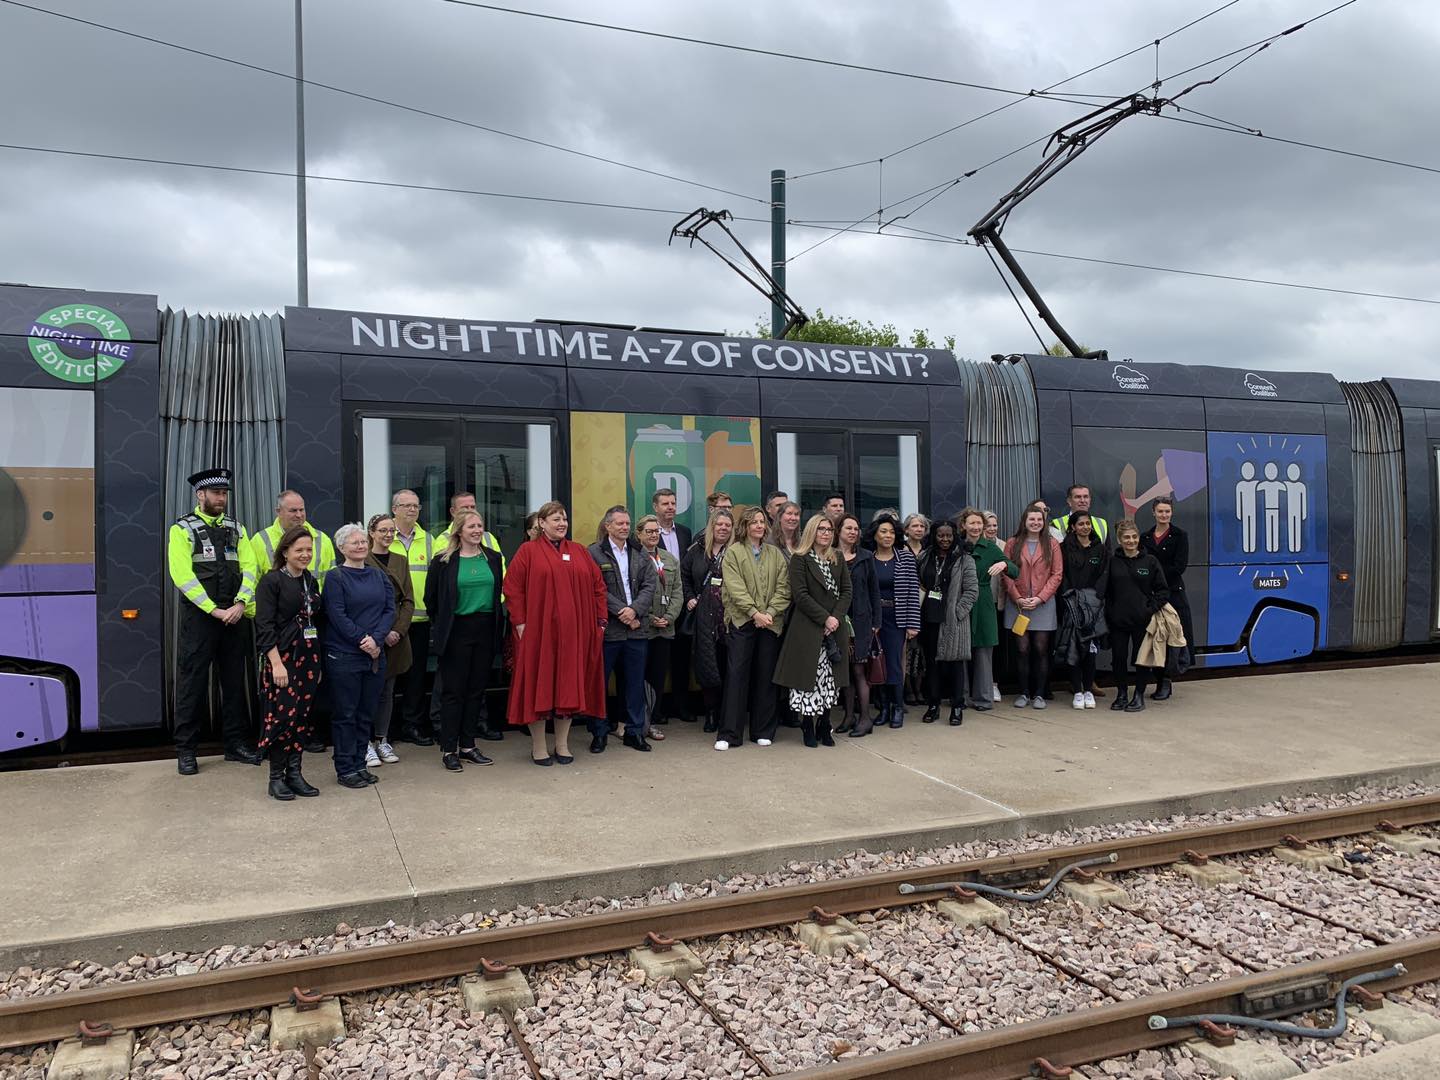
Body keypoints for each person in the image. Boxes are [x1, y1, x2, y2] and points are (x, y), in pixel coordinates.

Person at [168, 467, 262, 775]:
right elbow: (182, 576)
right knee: (192, 684)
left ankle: (235, 745)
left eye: (224, 493)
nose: (222, 498)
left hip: (234, 617)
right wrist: (213, 610)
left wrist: (241, 602)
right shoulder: (182, 529)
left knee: (235, 683)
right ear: (201, 495)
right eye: (216, 493)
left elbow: (250, 568)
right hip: (201, 619)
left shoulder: (237, 528)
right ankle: (186, 750)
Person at [506, 502, 608, 765]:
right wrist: (520, 623)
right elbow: (512, 588)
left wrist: (600, 622)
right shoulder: (528, 552)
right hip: (538, 636)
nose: (562, 524)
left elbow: (598, 587)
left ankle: (562, 744)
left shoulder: (579, 551)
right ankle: (539, 747)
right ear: (541, 523)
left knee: (568, 688)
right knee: (537, 688)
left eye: (564, 519)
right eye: (555, 519)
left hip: (574, 636)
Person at [425, 508, 505, 771]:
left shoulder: (493, 558)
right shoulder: (443, 561)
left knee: (476, 691)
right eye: (471, 526)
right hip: (456, 631)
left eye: (480, 526)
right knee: (453, 693)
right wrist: (442, 625)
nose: (477, 530)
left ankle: (468, 746)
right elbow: (431, 599)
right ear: (459, 531)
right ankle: (449, 749)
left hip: (485, 629)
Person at [253, 525, 323, 800]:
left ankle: (295, 774)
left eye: (309, 550)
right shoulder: (271, 582)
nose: (305, 555)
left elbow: (315, 620)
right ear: (285, 552)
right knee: (283, 718)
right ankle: (276, 778)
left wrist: (317, 665)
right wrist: (276, 664)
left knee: (301, 719)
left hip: (308, 659)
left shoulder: (310, 581)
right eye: (299, 550)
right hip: (282, 659)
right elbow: (264, 626)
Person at [324, 522, 395, 788]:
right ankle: (345, 769)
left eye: (363, 541)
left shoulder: (378, 575)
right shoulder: (335, 577)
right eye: (355, 542)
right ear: (342, 547)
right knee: (346, 714)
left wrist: (376, 639)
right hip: (345, 657)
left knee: (366, 714)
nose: (361, 546)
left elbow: (389, 609)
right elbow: (337, 615)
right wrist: (363, 639)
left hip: (374, 656)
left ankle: (358, 764)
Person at [717, 506, 791, 750]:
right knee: (737, 676)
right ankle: (729, 734)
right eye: (754, 522)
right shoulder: (734, 552)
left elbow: (784, 587)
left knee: (765, 676)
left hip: (769, 623)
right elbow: (734, 587)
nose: (759, 526)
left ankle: (763, 730)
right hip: (743, 622)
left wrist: (769, 613)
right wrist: (754, 613)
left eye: (762, 522)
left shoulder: (775, 553)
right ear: (745, 526)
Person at [774, 515, 852, 748]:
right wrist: (824, 618)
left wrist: (835, 618)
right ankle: (807, 724)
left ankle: (824, 724)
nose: (826, 533)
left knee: (830, 679)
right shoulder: (800, 558)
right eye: (821, 529)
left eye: (829, 529)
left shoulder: (837, 557)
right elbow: (800, 595)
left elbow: (847, 591)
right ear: (811, 531)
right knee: (808, 679)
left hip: (834, 628)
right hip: (808, 627)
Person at [589, 506, 658, 753]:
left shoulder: (640, 552)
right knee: (599, 683)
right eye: (619, 523)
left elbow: (650, 584)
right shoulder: (594, 553)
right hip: (609, 631)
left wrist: (635, 610)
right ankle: (599, 733)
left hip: (637, 630)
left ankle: (634, 732)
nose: (625, 527)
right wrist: (623, 612)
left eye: (627, 523)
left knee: (634, 684)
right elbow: (597, 589)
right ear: (607, 526)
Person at [1003, 502, 1063, 709]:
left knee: (1041, 649)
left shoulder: (1052, 544)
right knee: (1022, 649)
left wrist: (1040, 598)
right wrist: (1017, 597)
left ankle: (1039, 694)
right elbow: (1006, 572)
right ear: (1025, 521)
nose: (1036, 522)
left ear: (1043, 522)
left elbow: (1057, 574)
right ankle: (1023, 692)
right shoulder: (1012, 543)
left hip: (1043, 604)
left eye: (1039, 519)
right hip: (1018, 604)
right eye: (1032, 519)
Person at [388, 489, 436, 747]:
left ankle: (412, 725)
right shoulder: (384, 536)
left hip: (419, 621)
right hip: (389, 623)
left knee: (416, 678)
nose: (412, 510)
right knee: (388, 677)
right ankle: (385, 729)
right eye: (406, 505)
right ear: (394, 509)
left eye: (416, 506)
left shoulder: (429, 540)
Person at [1106, 519, 1170, 712]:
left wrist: (1149, 609)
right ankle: (1121, 694)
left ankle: (1139, 696)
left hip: (1143, 621)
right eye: (1126, 537)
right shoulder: (1112, 562)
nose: (1131, 541)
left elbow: (1163, 591)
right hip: (1118, 621)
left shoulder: (1150, 561)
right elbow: (1106, 591)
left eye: (1134, 537)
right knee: (1119, 658)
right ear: (1119, 540)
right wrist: (1110, 613)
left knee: (1141, 659)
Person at [918, 520, 978, 726]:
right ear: (934, 536)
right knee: (932, 664)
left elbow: (972, 591)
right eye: (940, 535)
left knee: (955, 665)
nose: (945, 539)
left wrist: (958, 613)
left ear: (955, 536)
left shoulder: (965, 559)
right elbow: (919, 584)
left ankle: (957, 707)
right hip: (929, 617)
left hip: (953, 620)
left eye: (949, 535)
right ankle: (933, 705)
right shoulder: (924, 557)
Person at [365, 514, 412, 768]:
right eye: (382, 530)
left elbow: (408, 600)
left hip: (395, 637)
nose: (388, 535)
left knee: (387, 692)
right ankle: (365, 742)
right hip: (371, 636)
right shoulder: (363, 559)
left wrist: (398, 631)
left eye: (391, 530)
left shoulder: (401, 561)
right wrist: (380, 634)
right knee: (366, 692)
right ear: (371, 532)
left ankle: (382, 739)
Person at [958, 508, 1015, 713]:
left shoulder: (990, 548)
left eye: (979, 523)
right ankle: (961, 697)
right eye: (972, 523)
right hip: (960, 601)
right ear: (964, 525)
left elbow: (1015, 570)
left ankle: (983, 698)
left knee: (983, 652)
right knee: (960, 651)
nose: (976, 527)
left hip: (983, 603)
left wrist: (1003, 564)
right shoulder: (957, 546)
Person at [682, 509, 734, 733]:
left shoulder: (736, 550)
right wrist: (689, 597)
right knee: (707, 665)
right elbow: (684, 575)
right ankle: (711, 712)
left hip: (730, 616)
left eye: (727, 525)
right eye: (719, 524)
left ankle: (727, 713)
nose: (723, 528)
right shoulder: (697, 550)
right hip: (704, 617)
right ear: (711, 526)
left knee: (728, 665)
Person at [868, 514, 921, 728]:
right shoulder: (868, 558)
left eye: (891, 532)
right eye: (883, 531)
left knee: (894, 664)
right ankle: (884, 708)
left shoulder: (905, 558)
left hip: (897, 618)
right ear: (875, 535)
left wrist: (913, 624)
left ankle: (897, 708)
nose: (888, 535)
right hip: (875, 618)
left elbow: (913, 591)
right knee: (877, 663)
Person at [637, 514, 684, 742]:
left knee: (657, 677)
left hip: (665, 629)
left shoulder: (669, 559)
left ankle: (653, 720)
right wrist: (649, 617)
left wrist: (669, 617)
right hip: (641, 628)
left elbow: (678, 592)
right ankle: (636, 721)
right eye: (649, 531)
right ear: (639, 534)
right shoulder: (634, 558)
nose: (654, 535)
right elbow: (633, 593)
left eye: (656, 531)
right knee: (638, 677)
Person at [1141, 495, 1191, 699]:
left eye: (1167, 511)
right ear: (1153, 513)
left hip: (1173, 594)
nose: (1164, 515)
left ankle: (1166, 681)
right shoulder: (1145, 537)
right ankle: (1157, 678)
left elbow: (1179, 566)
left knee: (1171, 639)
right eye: (1160, 511)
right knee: (1154, 639)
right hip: (1152, 596)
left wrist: (1156, 576)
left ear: (1172, 513)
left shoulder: (1180, 536)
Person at [836, 514, 881, 737]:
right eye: (848, 528)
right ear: (839, 531)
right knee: (844, 670)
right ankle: (848, 716)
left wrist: (876, 622)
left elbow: (874, 590)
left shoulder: (865, 557)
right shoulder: (830, 555)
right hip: (838, 621)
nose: (853, 532)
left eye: (856, 529)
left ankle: (865, 718)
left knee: (859, 669)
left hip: (862, 621)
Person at [1059, 511, 1109, 709]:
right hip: (1072, 605)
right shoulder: (1064, 548)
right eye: (1081, 524)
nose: (1085, 527)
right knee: (1073, 648)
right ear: (1073, 527)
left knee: (1090, 650)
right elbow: (1062, 575)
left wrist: (1096, 598)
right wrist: (1070, 598)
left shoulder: (1100, 549)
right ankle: (1077, 691)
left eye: (1088, 523)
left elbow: (1104, 575)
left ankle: (1088, 690)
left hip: (1094, 607)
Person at [651, 489, 693, 722]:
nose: (670, 507)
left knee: (681, 661)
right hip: (657, 610)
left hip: (680, 606)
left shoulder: (684, 532)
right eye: (665, 503)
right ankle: (656, 711)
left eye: (673, 503)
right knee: (657, 664)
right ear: (655, 507)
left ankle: (681, 706)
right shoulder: (648, 532)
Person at [248, 490, 337, 592]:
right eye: (293, 511)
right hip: (275, 602)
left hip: (313, 601)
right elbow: (252, 582)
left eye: (301, 510)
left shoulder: (322, 539)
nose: (299, 515)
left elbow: (332, 582)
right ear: (278, 512)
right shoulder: (260, 540)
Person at [899, 513, 930, 705]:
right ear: (906, 529)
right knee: (908, 648)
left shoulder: (930, 549)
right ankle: (908, 689)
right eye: (915, 526)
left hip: (928, 604)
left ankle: (920, 690)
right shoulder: (900, 549)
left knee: (923, 649)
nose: (919, 529)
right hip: (908, 603)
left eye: (922, 526)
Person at [983, 511, 1006, 704]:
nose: (992, 529)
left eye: (994, 525)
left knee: (997, 647)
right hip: (979, 604)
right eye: (987, 525)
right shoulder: (974, 546)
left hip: (998, 604)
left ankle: (994, 684)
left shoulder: (1004, 546)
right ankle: (981, 684)